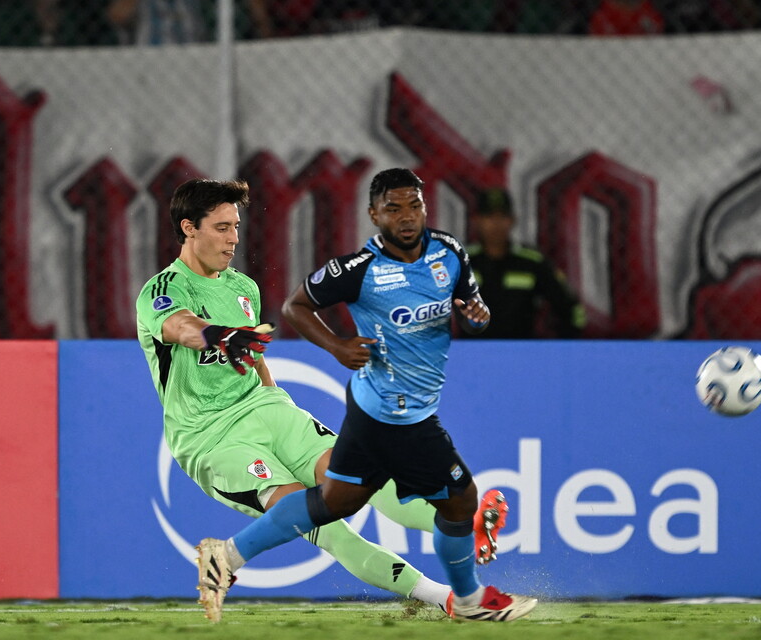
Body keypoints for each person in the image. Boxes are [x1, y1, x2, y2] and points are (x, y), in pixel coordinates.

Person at [135, 178, 508, 623]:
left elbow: (251, 357)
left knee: (359, 481)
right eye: (221, 228)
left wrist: (273, 398)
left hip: (268, 411)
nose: (234, 238)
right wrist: (215, 334)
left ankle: (462, 523)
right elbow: (180, 326)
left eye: (236, 226)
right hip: (210, 438)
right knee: (324, 526)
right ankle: (443, 598)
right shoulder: (162, 289)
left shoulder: (244, 289)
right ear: (188, 228)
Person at [276, 168, 538, 622]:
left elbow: (473, 313)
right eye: (393, 207)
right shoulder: (360, 269)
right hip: (378, 410)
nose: (406, 215)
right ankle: (465, 586)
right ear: (374, 214)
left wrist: (476, 316)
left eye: (414, 205)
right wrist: (338, 345)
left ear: (424, 207)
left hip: (391, 410)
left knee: (345, 513)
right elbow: (293, 307)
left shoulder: (449, 252)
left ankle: (233, 554)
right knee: (424, 499)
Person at [465, 188, 585, 339]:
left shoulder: (532, 263)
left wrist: (566, 347)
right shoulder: (461, 262)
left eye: (502, 217)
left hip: (522, 351)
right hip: (471, 353)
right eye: (489, 217)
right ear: (476, 221)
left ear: (513, 220)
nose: (496, 224)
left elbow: (571, 309)